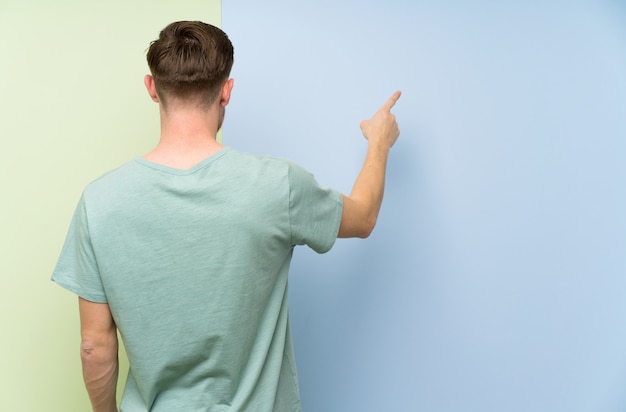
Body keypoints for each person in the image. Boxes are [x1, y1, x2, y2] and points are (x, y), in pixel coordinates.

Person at [52, 21, 400, 412]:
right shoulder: (277, 185)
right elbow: (364, 216)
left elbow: (94, 345)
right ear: (227, 91)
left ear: (152, 88)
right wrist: (378, 142)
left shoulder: (99, 201)